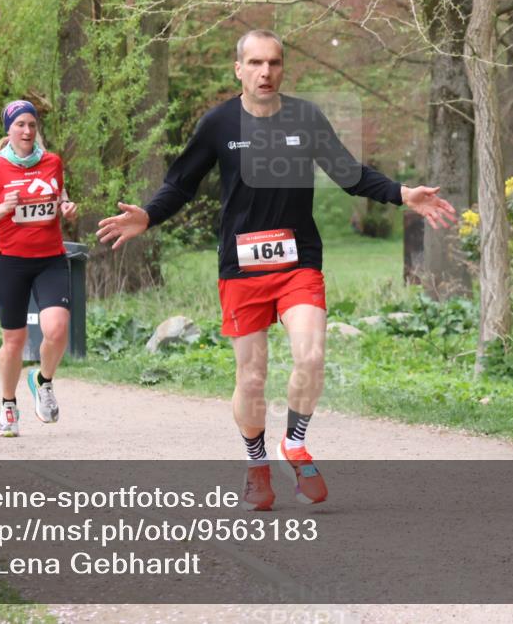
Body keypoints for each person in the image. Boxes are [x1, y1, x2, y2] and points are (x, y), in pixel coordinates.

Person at [97, 30, 456, 509]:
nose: (266, 72)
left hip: (298, 260)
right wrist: (148, 214)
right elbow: (180, 184)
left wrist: (401, 193)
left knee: (310, 355)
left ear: (283, 69)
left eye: (274, 63)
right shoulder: (218, 124)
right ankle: (256, 466)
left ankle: (296, 442)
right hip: (241, 266)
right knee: (252, 377)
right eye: (256, 63)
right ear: (239, 69)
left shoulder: (306, 117)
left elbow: (348, 173)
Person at [0, 100, 78, 437]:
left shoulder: (53, 162)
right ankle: (8, 405)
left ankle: (43, 381)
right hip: (10, 263)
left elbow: (59, 197)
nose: (27, 131)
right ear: (9, 130)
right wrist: (3, 208)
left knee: (57, 328)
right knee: (13, 341)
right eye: (20, 125)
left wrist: (67, 207)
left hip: (50, 259)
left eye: (32, 124)